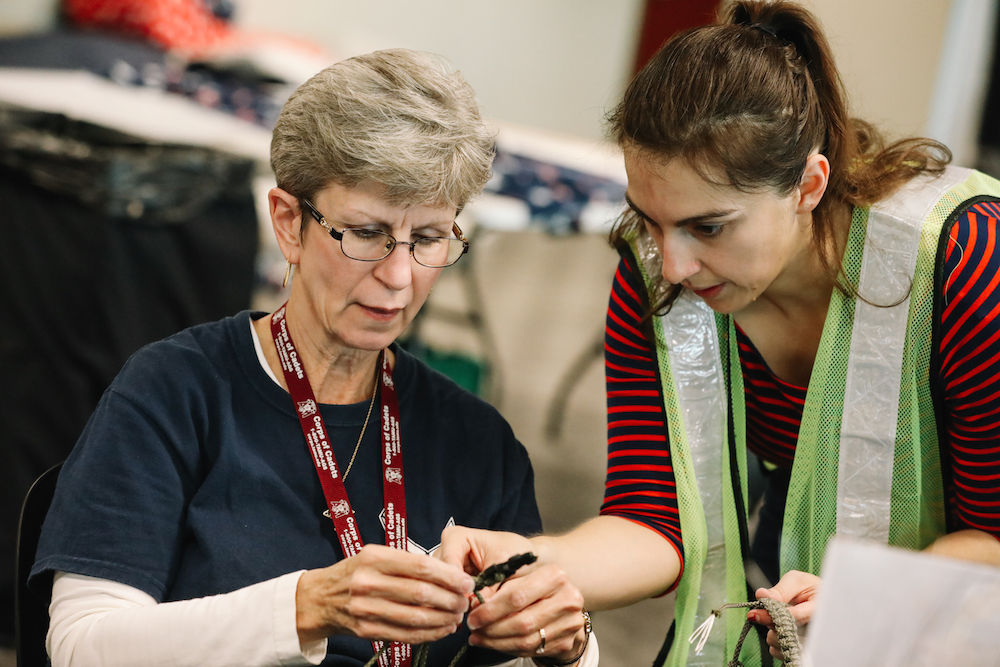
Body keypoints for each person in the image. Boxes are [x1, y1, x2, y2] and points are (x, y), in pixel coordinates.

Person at [440, 2, 1000, 666]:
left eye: (710, 227)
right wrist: (535, 560)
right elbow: (653, 519)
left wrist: (878, 601)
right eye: (648, 219)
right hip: (810, 581)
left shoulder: (966, 265)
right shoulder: (655, 279)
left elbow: (990, 534)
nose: (673, 265)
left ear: (808, 185)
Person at [29, 49, 593, 667]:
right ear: (289, 224)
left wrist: (566, 646)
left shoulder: (479, 444)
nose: (400, 276)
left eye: (429, 238)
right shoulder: (173, 394)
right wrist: (306, 607)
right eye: (367, 234)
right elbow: (82, 649)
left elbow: (523, 643)